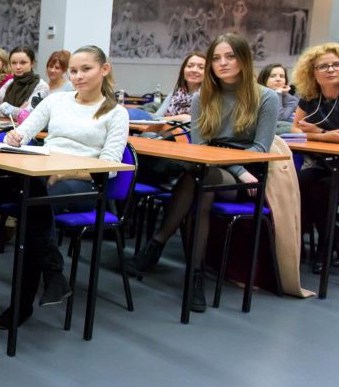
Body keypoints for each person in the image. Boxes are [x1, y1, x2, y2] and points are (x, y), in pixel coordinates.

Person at [129, 34, 280, 311]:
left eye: (230, 56)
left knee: (198, 178)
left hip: (247, 174)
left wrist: (237, 169)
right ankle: (194, 275)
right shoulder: (202, 96)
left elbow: (260, 148)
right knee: (200, 179)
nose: (222, 63)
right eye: (217, 58)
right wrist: (226, 164)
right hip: (209, 167)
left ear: (244, 59)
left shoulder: (266, 97)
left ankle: (157, 245)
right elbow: (200, 147)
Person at [0, 46, 129, 328]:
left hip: (84, 184)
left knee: (33, 204)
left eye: (86, 69)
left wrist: (67, 172)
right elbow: (23, 132)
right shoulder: (56, 101)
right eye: (74, 71)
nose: (78, 76)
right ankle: (53, 273)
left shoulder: (116, 113)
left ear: (104, 70)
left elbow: (110, 167)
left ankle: (23, 303)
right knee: (32, 200)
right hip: (45, 176)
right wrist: (15, 137)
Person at [291, 42, 339, 274]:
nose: (331, 69)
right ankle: (332, 242)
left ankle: (325, 250)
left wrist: (317, 132)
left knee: (326, 189)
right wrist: (329, 135)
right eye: (323, 66)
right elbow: (295, 129)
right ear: (313, 72)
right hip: (320, 163)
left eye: (336, 64)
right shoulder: (310, 97)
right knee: (298, 184)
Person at [0, 46, 49, 122]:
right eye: (14, 63)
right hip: (1, 127)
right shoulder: (10, 83)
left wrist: (3, 106)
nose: (18, 67)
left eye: (23, 63)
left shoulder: (41, 86)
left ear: (32, 63)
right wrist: (17, 111)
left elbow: (27, 116)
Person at [155, 51, 205, 122]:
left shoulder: (211, 96)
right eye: (190, 66)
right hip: (167, 129)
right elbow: (156, 118)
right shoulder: (174, 94)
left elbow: (207, 123)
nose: (194, 70)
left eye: (201, 67)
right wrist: (181, 118)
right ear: (183, 70)